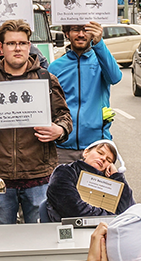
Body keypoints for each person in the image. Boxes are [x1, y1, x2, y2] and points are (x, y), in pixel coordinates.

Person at [0, 19, 72, 261]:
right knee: (1, 239)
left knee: (41, 237)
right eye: (11, 43)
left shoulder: (46, 79)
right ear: (0, 47)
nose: (17, 48)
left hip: (38, 172)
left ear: (29, 45)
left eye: (22, 43)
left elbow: (64, 117)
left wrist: (60, 130)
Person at [48, 22, 123, 163]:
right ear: (66, 33)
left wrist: (99, 43)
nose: (81, 34)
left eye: (86, 30)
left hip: (96, 146)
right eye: (75, 30)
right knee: (62, 185)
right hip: (62, 146)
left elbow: (115, 77)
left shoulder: (102, 61)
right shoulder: (55, 67)